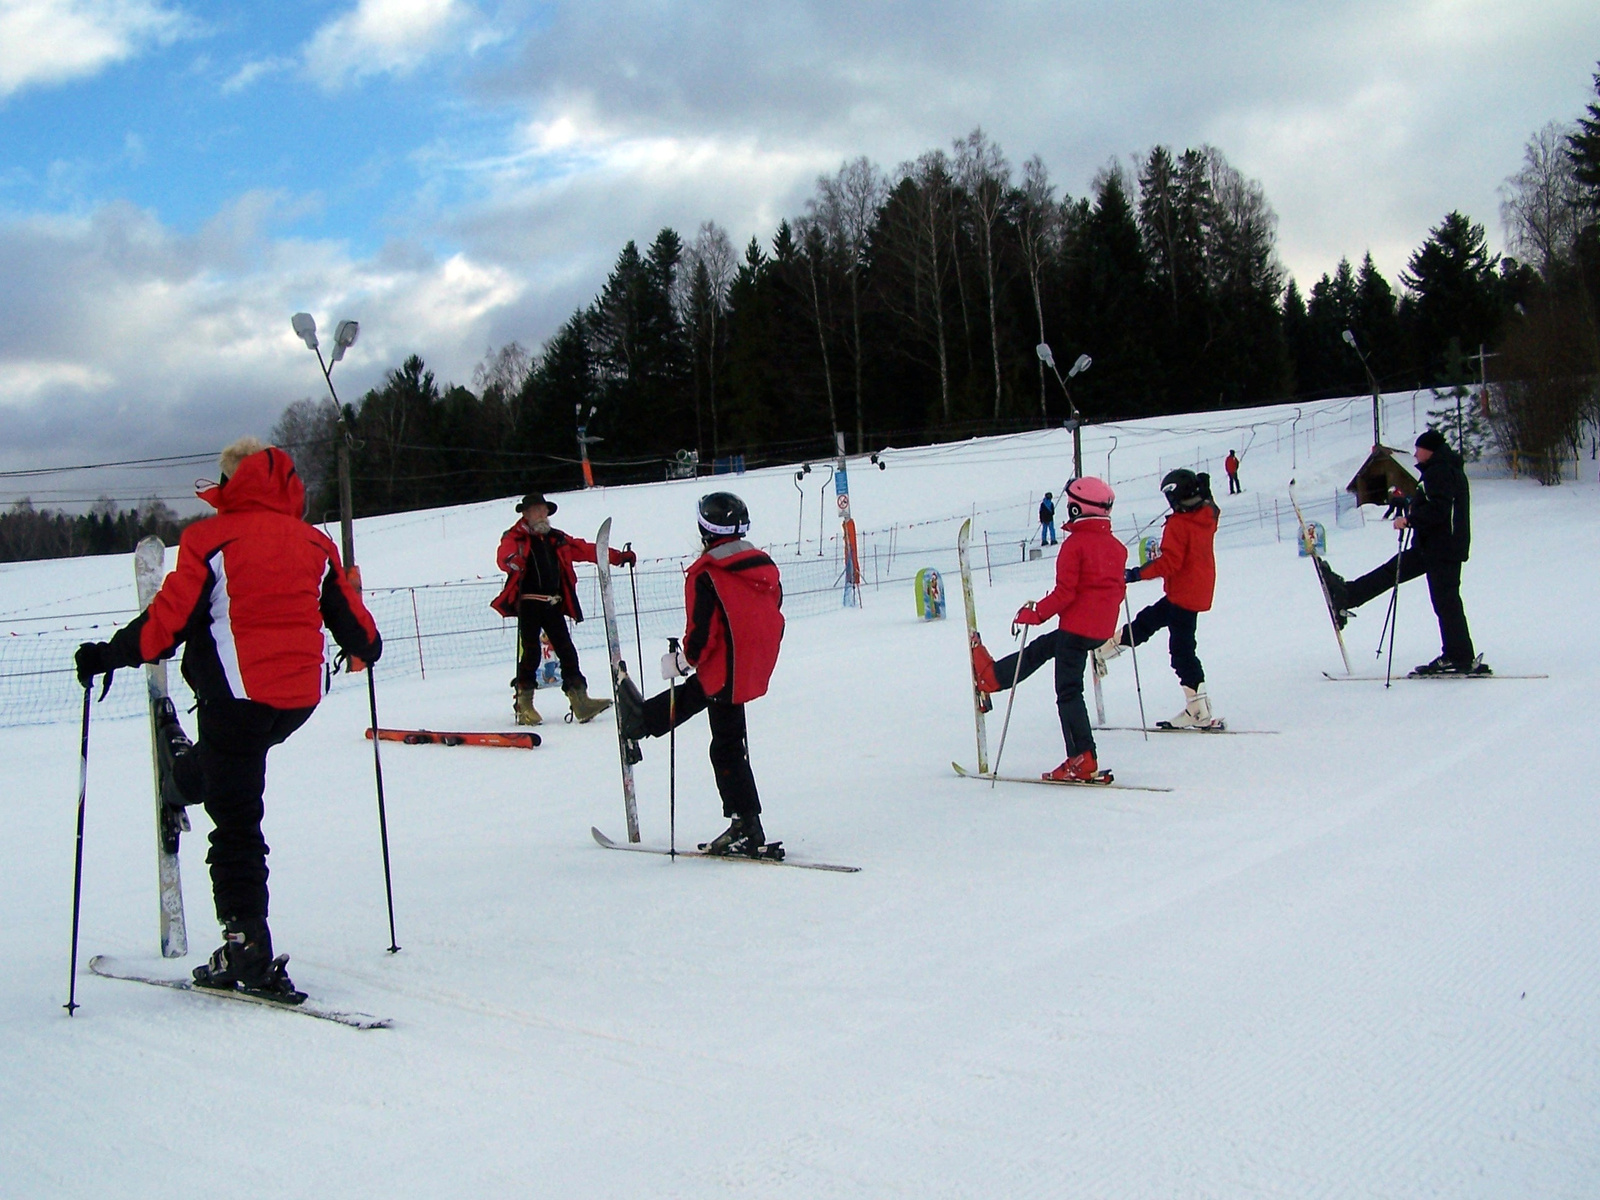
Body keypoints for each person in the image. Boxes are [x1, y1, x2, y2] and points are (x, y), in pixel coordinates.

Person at [74, 437, 382, 1000]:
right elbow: (363, 636)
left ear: (230, 483)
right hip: (295, 704)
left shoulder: (209, 540)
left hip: (235, 701)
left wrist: (104, 655)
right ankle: (185, 777)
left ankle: (246, 948)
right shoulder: (316, 543)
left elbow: (163, 627)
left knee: (237, 820)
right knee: (232, 777)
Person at [614, 493, 785, 856]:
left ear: (705, 529)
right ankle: (643, 720)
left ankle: (746, 826)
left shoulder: (705, 574)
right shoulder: (760, 563)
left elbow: (703, 634)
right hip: (752, 662)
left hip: (728, 666)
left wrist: (682, 660)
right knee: (706, 700)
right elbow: (771, 606)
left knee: (725, 747)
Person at [970, 478, 1126, 781]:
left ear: (1078, 508)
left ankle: (1082, 757)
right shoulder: (1116, 547)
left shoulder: (1075, 545)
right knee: (1043, 647)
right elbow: (1114, 589)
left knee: (1068, 692)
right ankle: (995, 676)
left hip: (1077, 629)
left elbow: (1066, 593)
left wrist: (1036, 613)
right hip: (1098, 629)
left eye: (1070, 505)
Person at [1315, 429, 1483, 675]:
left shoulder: (1439, 471)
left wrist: (1409, 520)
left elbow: (1439, 510)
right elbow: (1438, 505)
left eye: (1418, 449)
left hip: (1440, 548)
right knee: (1431, 593)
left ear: (1430, 450)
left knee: (1443, 599)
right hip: (1438, 546)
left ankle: (1458, 655)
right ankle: (1349, 595)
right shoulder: (1447, 470)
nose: (1415, 454)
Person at [491, 491, 634, 725]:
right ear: (525, 514)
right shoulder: (515, 537)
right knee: (531, 653)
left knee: (567, 651)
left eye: (542, 510)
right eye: (534, 510)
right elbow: (504, 555)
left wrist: (618, 557)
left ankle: (580, 701)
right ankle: (524, 704)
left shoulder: (557, 538)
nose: (539, 514)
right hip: (528, 602)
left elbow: (587, 550)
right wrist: (511, 561)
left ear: (547, 512)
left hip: (553, 603)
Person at [1095, 469, 1223, 729]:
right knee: (1150, 620)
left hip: (1183, 595)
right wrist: (1207, 494)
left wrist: (1136, 574)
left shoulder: (1180, 524)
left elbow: (1170, 562)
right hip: (1195, 591)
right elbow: (1214, 510)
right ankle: (1107, 648)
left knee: (1181, 651)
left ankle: (1199, 711)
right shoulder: (1206, 515)